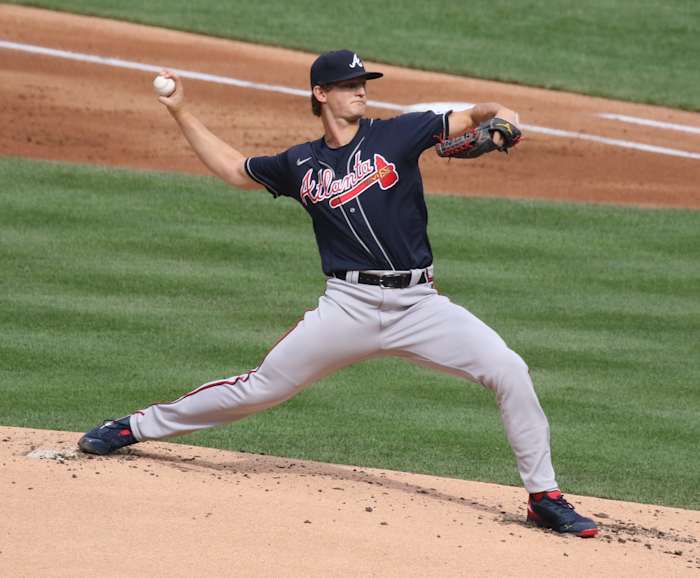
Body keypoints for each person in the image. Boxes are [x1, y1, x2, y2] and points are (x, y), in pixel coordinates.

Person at [79, 49, 598, 538]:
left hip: (419, 306)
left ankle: (543, 497)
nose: (361, 93)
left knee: (508, 369)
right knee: (260, 388)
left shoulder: (399, 133)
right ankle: (133, 427)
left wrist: (504, 119)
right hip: (345, 309)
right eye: (349, 85)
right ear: (321, 93)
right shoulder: (300, 163)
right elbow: (236, 172)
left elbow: (478, 113)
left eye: (363, 84)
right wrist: (181, 112)